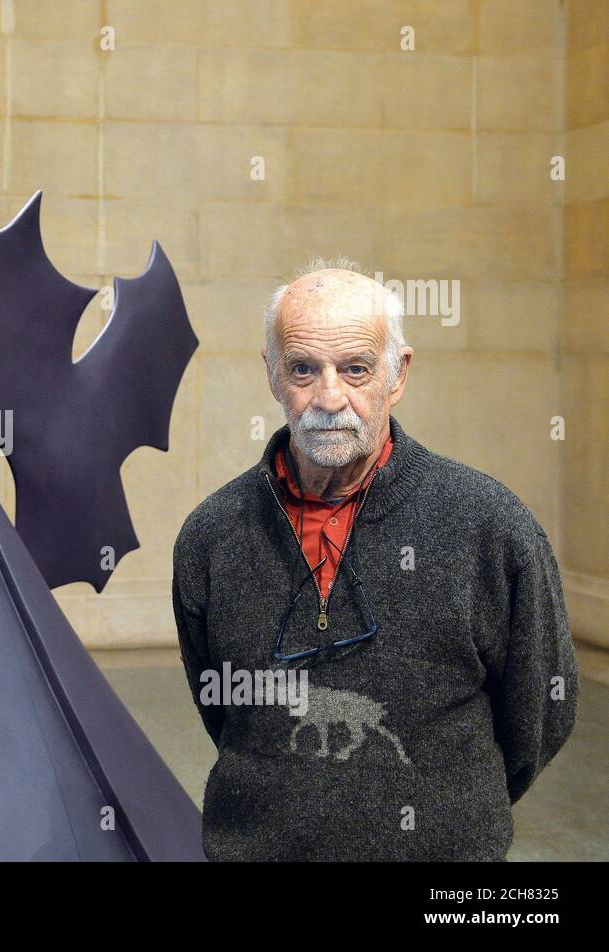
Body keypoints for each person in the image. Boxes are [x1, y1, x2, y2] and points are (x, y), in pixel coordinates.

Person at [171, 258, 579, 860]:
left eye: (355, 368)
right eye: (304, 369)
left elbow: (540, 714)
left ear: (397, 374)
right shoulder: (212, 534)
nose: (328, 397)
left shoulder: (488, 524)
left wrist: (450, 817)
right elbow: (223, 708)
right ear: (272, 376)